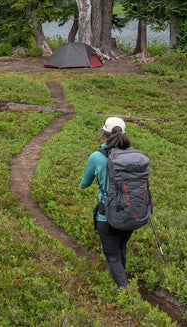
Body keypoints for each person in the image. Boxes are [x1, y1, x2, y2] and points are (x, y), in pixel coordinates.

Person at [80, 116, 134, 288]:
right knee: (120, 247)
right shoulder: (132, 156)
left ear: (104, 134)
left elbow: (84, 184)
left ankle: (125, 292)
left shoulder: (97, 157)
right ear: (124, 135)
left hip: (108, 214)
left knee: (112, 255)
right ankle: (121, 279)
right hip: (130, 212)